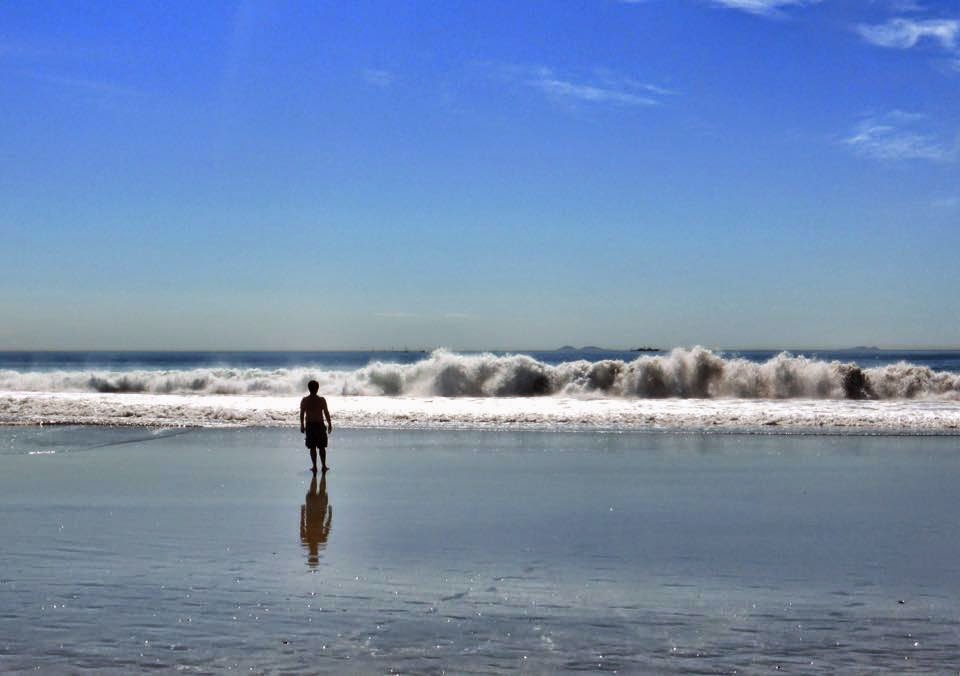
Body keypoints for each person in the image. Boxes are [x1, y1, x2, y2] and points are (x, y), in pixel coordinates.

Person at [300, 380, 333, 473]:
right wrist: (329, 423)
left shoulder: (305, 400)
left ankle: (315, 466)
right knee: (321, 447)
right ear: (317, 388)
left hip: (310, 425)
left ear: (309, 388)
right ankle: (323, 466)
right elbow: (326, 413)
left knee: (312, 447)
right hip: (319, 425)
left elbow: (302, 414)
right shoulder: (321, 400)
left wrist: (302, 425)